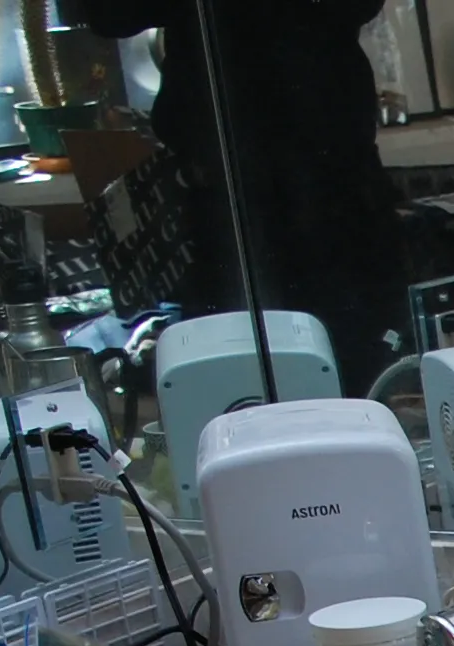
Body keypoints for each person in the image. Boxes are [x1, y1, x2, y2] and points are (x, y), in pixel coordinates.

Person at [66, 0, 407, 390]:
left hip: (327, 178)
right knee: (235, 377)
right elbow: (110, 15)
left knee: (356, 366)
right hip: (222, 189)